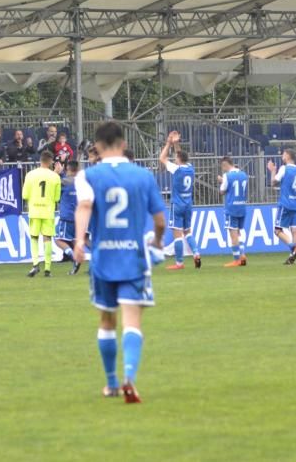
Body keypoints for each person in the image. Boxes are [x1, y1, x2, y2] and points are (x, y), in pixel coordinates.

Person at [73, 120, 166, 404]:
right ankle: (129, 377)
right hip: (134, 258)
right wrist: (158, 241)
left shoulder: (87, 176)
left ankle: (111, 384)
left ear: (98, 148)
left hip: (103, 258)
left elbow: (85, 206)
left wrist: (78, 242)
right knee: (132, 322)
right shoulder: (143, 175)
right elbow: (160, 219)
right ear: (124, 144)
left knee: (106, 319)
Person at [158, 131, 199, 270]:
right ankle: (196, 253)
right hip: (188, 204)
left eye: (176, 158)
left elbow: (162, 158)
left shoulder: (176, 169)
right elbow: (180, 155)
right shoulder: (190, 168)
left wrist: (169, 143)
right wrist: (176, 143)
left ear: (178, 159)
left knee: (177, 234)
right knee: (188, 232)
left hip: (177, 204)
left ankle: (179, 263)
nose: (174, 159)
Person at [22, 151, 62, 278]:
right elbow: (57, 198)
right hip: (48, 211)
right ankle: (48, 269)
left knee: (34, 237)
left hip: (34, 210)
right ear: (50, 162)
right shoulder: (55, 177)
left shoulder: (30, 174)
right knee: (47, 238)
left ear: (40, 160)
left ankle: (35, 265)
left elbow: (24, 195)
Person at [267, 148, 296, 265]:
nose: (282, 156)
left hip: (285, 203)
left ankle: (293, 247)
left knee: (277, 230)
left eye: (283, 154)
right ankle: (293, 256)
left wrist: (272, 170)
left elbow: (273, 183)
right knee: (294, 230)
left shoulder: (284, 168)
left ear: (288, 156)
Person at [218, 156, 249, 268]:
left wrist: (221, 181)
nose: (223, 169)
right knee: (239, 233)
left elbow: (222, 191)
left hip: (231, 208)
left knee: (233, 234)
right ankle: (243, 254)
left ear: (225, 164)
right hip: (242, 206)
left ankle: (237, 260)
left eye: (223, 167)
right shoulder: (244, 175)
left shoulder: (227, 176)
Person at [54, 160, 82, 274]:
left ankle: (74, 257)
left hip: (67, 216)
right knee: (74, 241)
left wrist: (57, 173)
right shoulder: (82, 182)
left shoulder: (64, 182)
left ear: (68, 169)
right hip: (79, 216)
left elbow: (53, 185)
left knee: (58, 240)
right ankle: (76, 263)